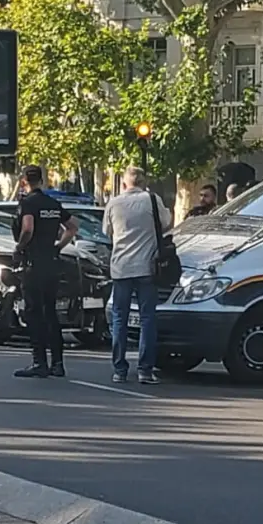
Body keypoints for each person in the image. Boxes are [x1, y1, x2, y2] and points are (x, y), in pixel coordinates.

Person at [103, 165, 172, 385]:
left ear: (124, 183)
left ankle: (119, 370)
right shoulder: (152, 200)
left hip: (121, 267)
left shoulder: (114, 203)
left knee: (119, 319)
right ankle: (145, 370)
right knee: (147, 318)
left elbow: (107, 232)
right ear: (144, 182)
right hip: (147, 267)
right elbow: (166, 223)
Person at [12, 165, 78, 379]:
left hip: (33, 264)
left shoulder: (28, 203)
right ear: (42, 180)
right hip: (52, 262)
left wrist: (19, 247)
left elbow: (28, 228)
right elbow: (72, 227)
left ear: (24, 181)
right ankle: (58, 363)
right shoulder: (53, 203)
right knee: (50, 312)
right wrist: (58, 246)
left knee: (34, 313)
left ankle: (39, 361)